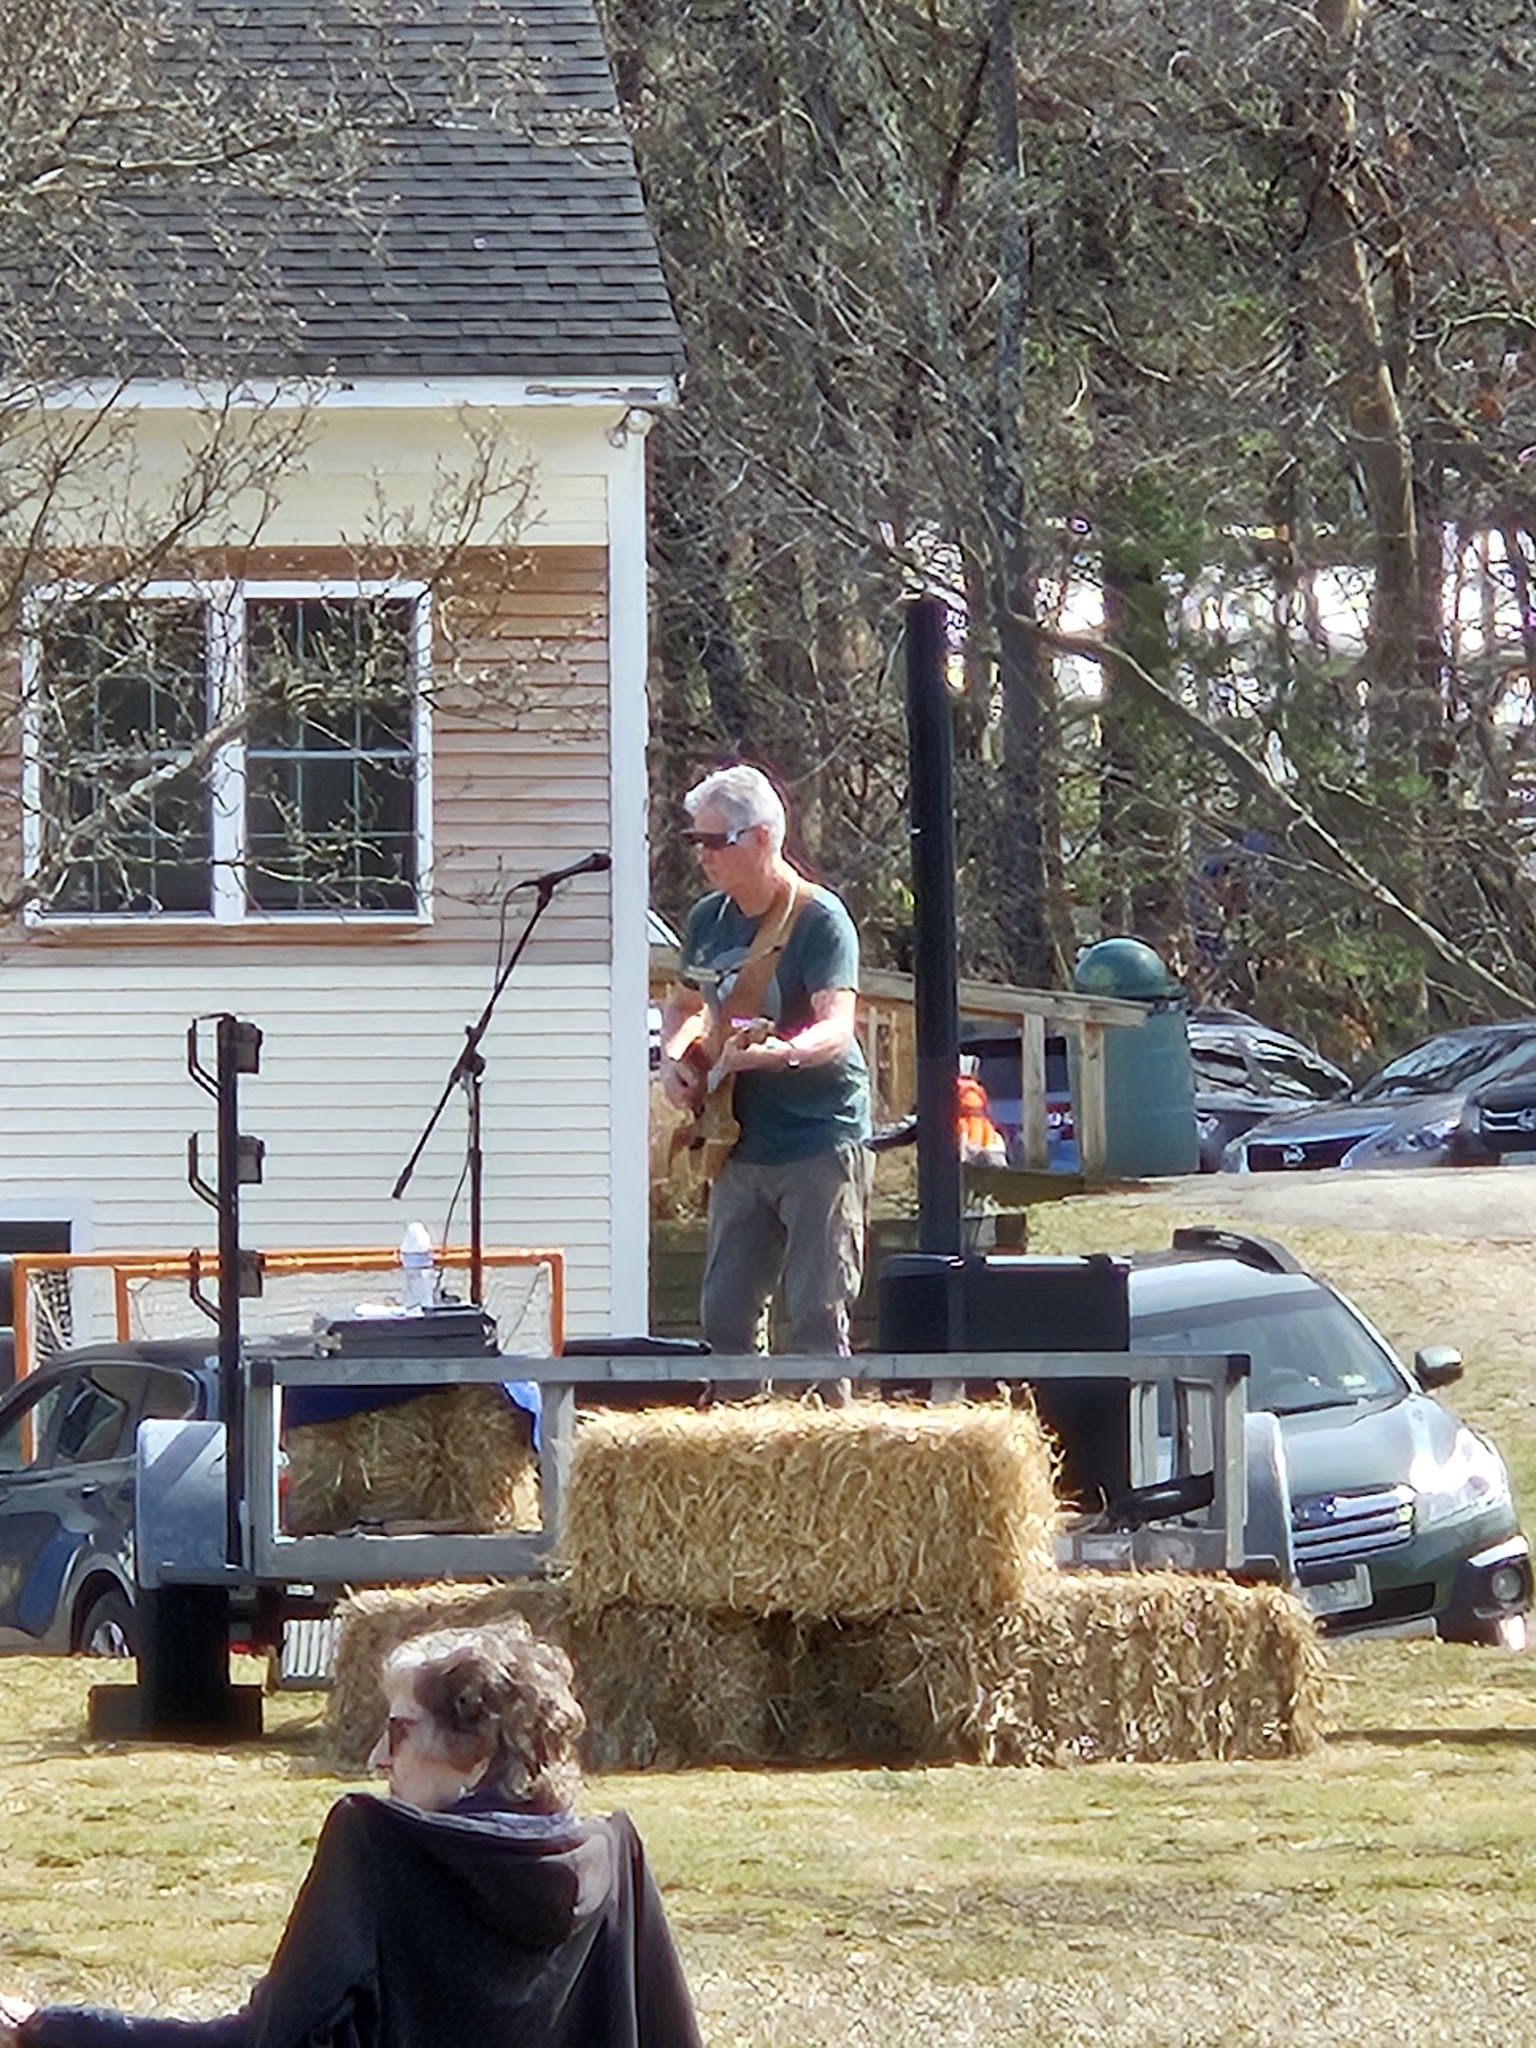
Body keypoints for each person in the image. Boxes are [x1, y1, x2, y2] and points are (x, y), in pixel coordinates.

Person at [0, 1626, 701, 2048]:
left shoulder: (380, 1851)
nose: (376, 1758)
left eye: (398, 1731)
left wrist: (51, 2029)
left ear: (478, 1753)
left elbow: (267, 2041)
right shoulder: (612, 1860)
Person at [659, 763, 872, 1358]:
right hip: (736, 1139)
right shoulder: (706, 920)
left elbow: (837, 1026)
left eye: (714, 841)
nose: (702, 856)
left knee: (817, 1317)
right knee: (724, 1319)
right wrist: (672, 1060)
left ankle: (826, 1419)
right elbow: (683, 1007)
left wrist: (785, 1055)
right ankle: (739, 1416)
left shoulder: (820, 919)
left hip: (817, 1136)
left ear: (759, 838)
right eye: (695, 841)